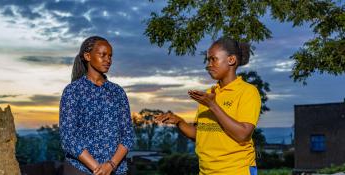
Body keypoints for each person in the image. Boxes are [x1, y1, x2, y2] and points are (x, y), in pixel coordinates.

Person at [155, 37, 261, 175]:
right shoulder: (209, 94)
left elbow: (243, 135)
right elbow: (200, 134)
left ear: (231, 60)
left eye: (213, 59)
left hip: (236, 170)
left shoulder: (247, 92)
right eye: (207, 60)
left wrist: (212, 105)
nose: (208, 65)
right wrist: (179, 121)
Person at [59, 36, 135, 175]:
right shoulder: (73, 91)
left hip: (115, 170)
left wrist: (110, 165)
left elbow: (128, 135)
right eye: (103, 55)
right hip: (80, 170)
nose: (108, 60)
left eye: (110, 56)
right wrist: (98, 169)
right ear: (88, 56)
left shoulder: (117, 92)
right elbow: (68, 138)